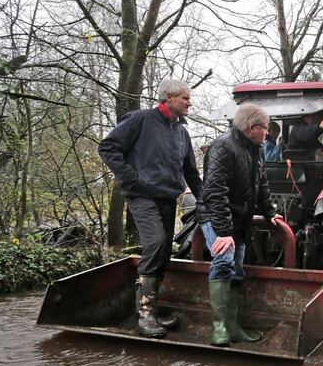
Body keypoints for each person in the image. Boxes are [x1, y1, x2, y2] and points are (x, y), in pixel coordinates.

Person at [98, 78, 202, 339]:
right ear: (167, 98)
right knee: (155, 243)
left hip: (168, 198)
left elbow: (190, 170)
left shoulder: (181, 132)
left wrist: (204, 199)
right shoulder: (141, 120)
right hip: (142, 196)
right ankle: (144, 315)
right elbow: (108, 147)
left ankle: (154, 311)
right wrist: (131, 179)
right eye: (185, 97)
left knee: (165, 251)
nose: (189, 102)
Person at [195, 103, 283, 347]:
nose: (268, 133)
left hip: (239, 220)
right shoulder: (223, 147)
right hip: (216, 216)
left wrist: (269, 213)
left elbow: (261, 184)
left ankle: (234, 328)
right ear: (252, 127)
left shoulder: (257, 149)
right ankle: (219, 329)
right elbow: (214, 191)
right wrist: (223, 232)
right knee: (223, 261)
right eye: (266, 129)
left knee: (236, 268)